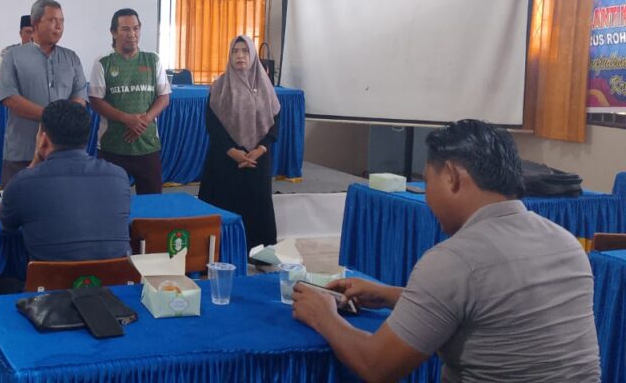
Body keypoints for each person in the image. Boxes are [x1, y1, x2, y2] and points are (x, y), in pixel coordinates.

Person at [292, 120, 601, 382]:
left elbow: (375, 366)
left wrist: (323, 316)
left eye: (427, 182)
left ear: (452, 176)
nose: (427, 197)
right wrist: (389, 295)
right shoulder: (566, 243)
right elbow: (497, 307)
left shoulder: (454, 260)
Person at [0, 100, 131, 261]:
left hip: (52, 277)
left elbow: (6, 223)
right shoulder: (118, 177)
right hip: (114, 276)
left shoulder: (24, 183)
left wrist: (34, 162)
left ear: (43, 139)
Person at [197, 35, 279, 250]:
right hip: (225, 161)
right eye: (235, 51)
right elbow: (213, 125)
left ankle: (258, 254)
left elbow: (274, 122)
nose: (240, 55)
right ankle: (218, 253)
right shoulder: (219, 86)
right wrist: (233, 151)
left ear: (253, 55)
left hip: (256, 161)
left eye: (245, 51)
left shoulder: (265, 86)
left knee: (257, 209)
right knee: (221, 207)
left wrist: (259, 149)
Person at [0, 0, 87, 186]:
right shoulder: (13, 56)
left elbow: (80, 95)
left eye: (62, 21)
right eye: (53, 20)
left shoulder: (71, 58)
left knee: (59, 201)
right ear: (35, 23)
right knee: (17, 200)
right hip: (23, 151)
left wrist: (63, 120)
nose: (59, 26)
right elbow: (10, 98)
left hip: (63, 152)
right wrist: (54, 117)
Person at [88, 8, 171, 195]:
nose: (132, 34)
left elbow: (164, 97)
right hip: (112, 146)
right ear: (113, 32)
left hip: (147, 145)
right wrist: (126, 119)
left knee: (152, 203)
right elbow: (95, 101)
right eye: (125, 29)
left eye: (136, 28)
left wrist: (143, 121)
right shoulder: (103, 62)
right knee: (111, 201)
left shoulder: (153, 60)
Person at [0, 15, 33, 82]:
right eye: (28, 32)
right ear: (20, 34)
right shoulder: (8, 51)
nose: (32, 36)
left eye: (34, 32)